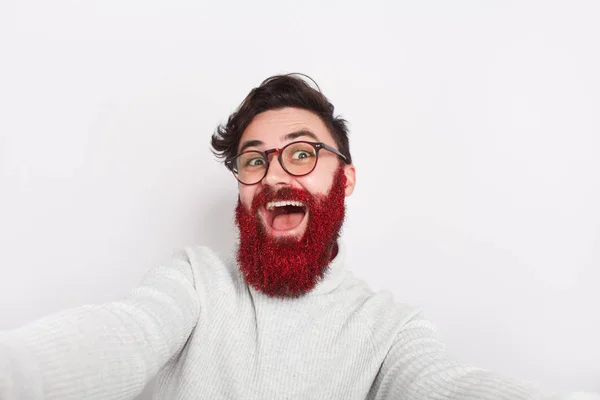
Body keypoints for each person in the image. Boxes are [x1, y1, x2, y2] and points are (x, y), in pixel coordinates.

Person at [0, 74, 597, 400]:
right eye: (253, 161)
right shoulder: (193, 284)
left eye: (303, 154)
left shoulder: (389, 331)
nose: (274, 174)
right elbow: (121, 336)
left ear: (346, 178)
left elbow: (446, 387)